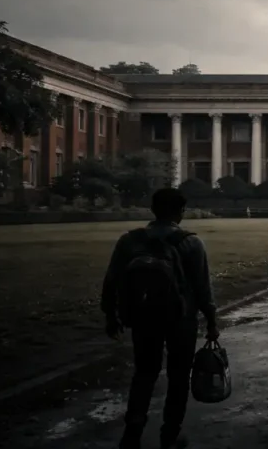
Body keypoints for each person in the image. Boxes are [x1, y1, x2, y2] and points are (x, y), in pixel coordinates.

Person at [101, 187, 219, 449]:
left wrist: (111, 314)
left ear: (152, 210)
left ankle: (133, 427)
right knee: (178, 377)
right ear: (181, 212)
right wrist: (211, 320)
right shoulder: (190, 243)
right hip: (181, 318)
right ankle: (170, 432)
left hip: (142, 316)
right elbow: (203, 288)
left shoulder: (130, 241)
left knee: (144, 373)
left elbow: (112, 280)